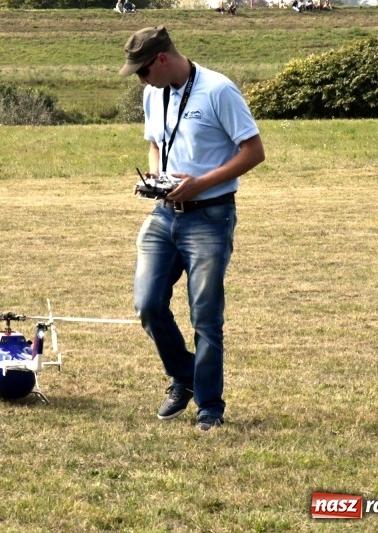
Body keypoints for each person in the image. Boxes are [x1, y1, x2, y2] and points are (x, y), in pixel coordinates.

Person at [119, 27, 265, 432]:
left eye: (142, 71)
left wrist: (202, 182)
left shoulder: (219, 91)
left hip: (209, 216)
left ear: (162, 60)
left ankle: (209, 407)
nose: (140, 79)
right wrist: (156, 173)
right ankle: (185, 376)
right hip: (164, 213)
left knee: (205, 316)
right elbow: (155, 140)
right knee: (147, 304)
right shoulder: (153, 92)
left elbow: (254, 152)